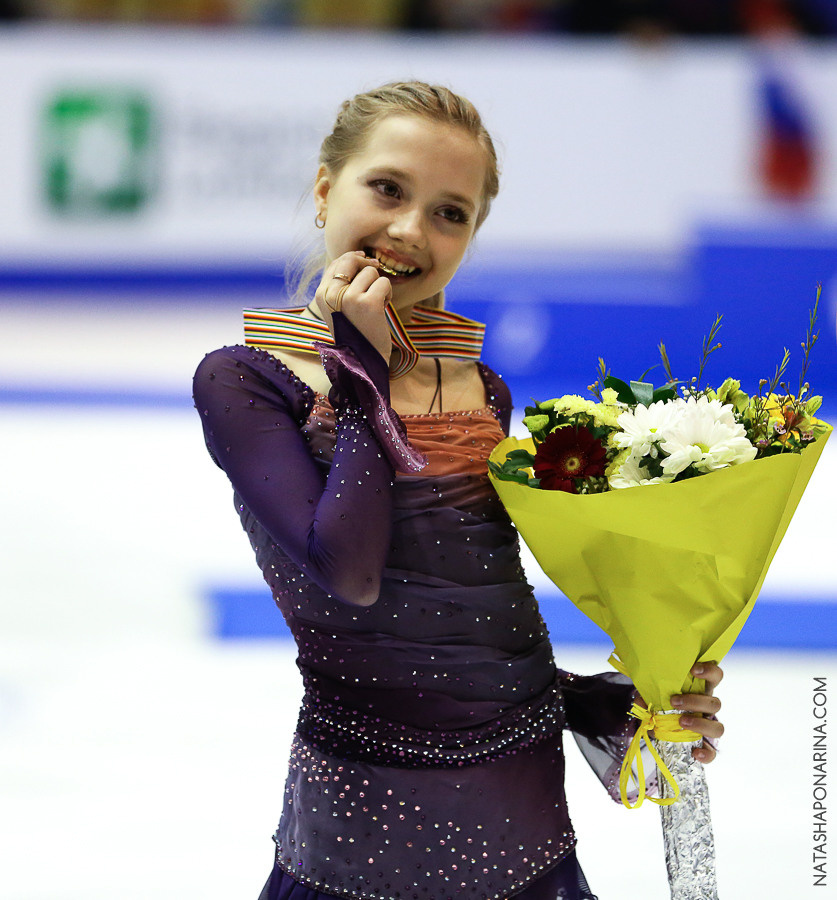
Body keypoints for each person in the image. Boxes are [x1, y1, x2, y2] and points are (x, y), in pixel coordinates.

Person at [193, 81, 725, 900]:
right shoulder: (246, 380)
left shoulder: (481, 388)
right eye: (388, 189)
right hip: (357, 840)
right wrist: (362, 372)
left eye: (450, 212)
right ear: (326, 188)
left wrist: (609, 701)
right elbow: (350, 573)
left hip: (524, 830)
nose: (411, 230)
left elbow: (468, 614)